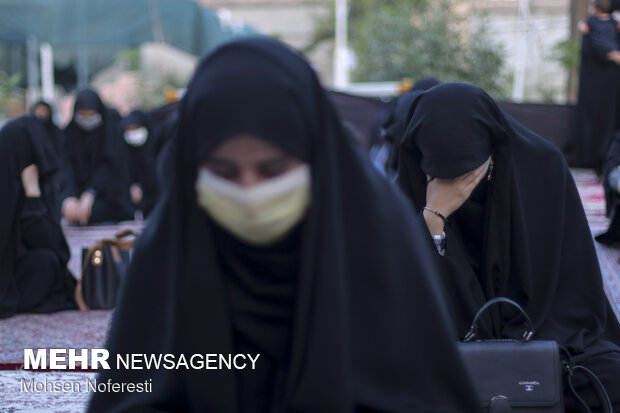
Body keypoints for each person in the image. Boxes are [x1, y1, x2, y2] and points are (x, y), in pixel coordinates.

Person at [88, 38, 479, 412]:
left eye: (273, 169)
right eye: (223, 171)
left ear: (314, 158)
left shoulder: (377, 241)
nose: (249, 191)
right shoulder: (167, 253)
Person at [396, 82, 620, 410]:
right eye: (444, 177)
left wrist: (520, 345)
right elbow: (405, 302)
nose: (461, 189)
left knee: (607, 374)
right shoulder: (408, 188)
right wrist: (433, 219)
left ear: (495, 148)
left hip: (545, 335)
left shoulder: (543, 168)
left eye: (469, 175)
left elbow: (573, 295)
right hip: (448, 344)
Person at [0, 116, 77, 319]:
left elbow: (54, 247)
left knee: (46, 262)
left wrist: (33, 195)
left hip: (13, 269)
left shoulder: (33, 187)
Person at [60, 89, 134, 225]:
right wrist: (69, 196)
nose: (87, 120)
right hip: (77, 204)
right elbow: (65, 167)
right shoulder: (68, 135)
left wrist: (91, 193)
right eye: (82, 115)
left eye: (91, 115)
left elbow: (111, 166)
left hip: (110, 202)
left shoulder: (112, 135)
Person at [575, 0, 620, 171]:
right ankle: (598, 158)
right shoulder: (591, 25)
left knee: (606, 119)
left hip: (607, 82)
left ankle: (602, 158)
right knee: (603, 120)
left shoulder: (598, 25)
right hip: (601, 80)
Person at [122, 110, 160, 218]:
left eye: (136, 128)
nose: (132, 133)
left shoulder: (157, 149)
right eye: (129, 129)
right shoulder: (125, 151)